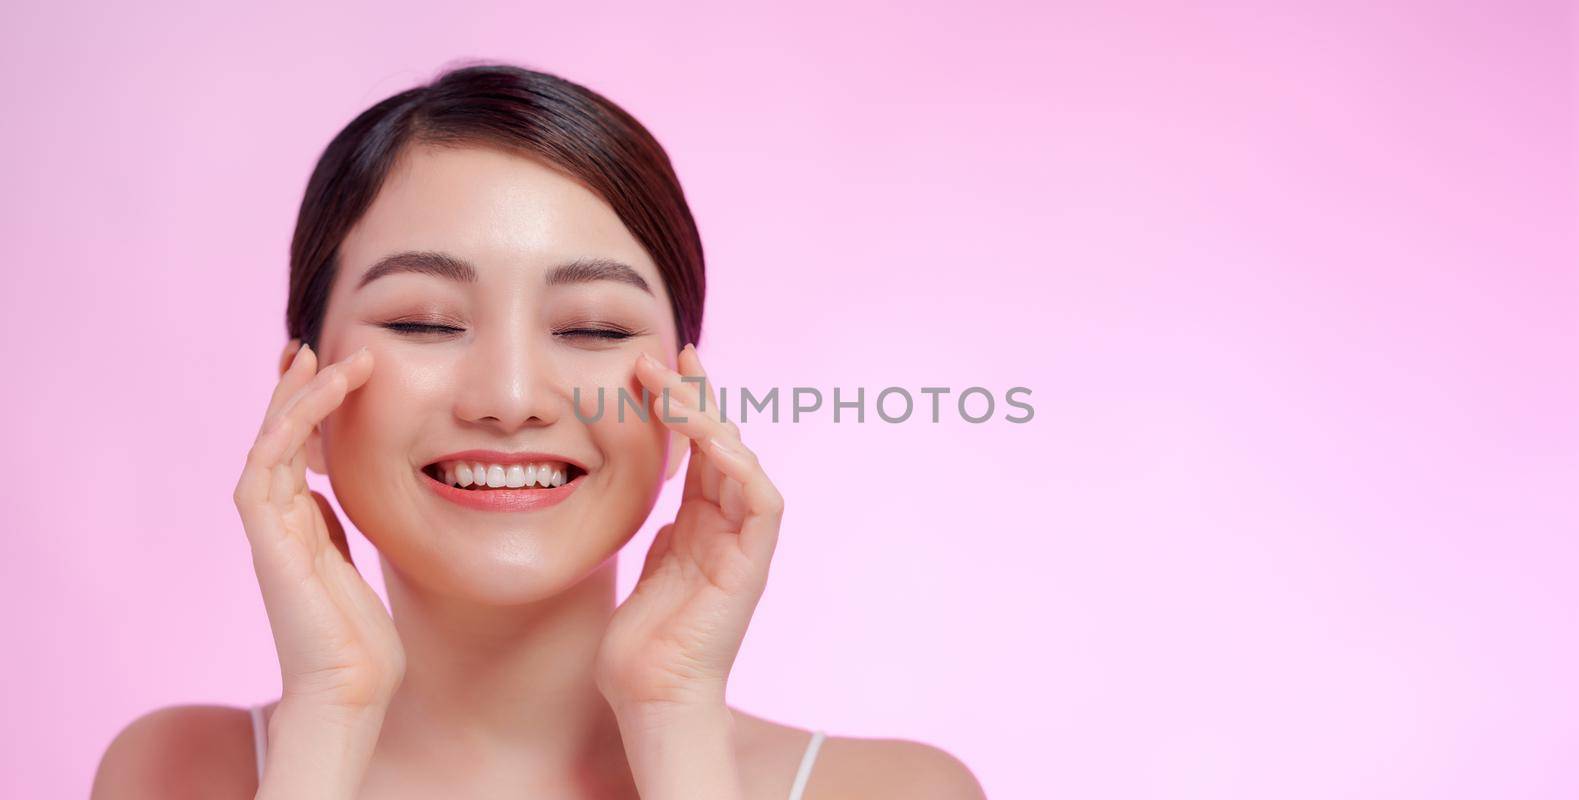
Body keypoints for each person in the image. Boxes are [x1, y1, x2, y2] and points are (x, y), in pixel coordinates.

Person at [91, 62, 985, 799]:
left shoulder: (895, 790)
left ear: (684, 411)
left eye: (593, 329)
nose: (511, 397)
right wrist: (328, 718)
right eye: (424, 323)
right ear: (302, 402)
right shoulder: (174, 774)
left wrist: (675, 721)